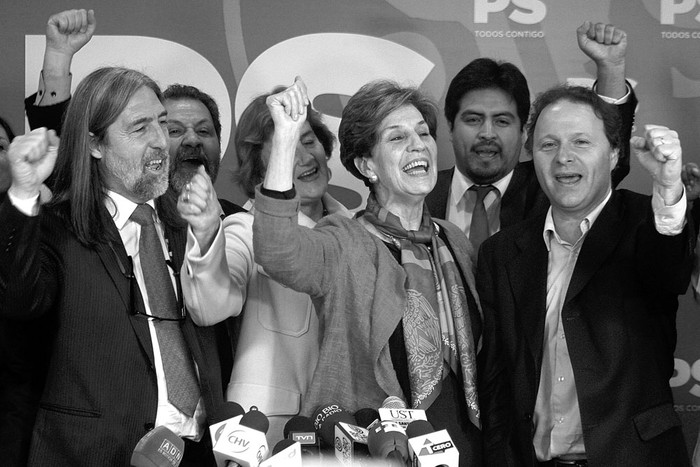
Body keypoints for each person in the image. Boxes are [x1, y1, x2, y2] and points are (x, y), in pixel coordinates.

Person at [250, 77, 484, 464]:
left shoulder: (454, 240)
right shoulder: (346, 240)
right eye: (397, 138)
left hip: (465, 448)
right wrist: (287, 137)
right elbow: (277, 251)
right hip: (377, 452)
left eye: (423, 133)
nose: (418, 145)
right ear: (366, 165)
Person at [0, 67, 226, 466]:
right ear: (95, 144)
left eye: (162, 124)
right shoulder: (58, 225)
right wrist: (23, 194)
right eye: (140, 129)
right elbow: (18, 300)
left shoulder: (191, 218)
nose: (160, 142)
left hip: (195, 452)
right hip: (97, 453)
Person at [477, 84, 693, 466]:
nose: (563, 158)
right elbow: (496, 382)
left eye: (580, 142)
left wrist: (668, 185)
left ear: (613, 154)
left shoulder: (647, 224)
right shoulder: (501, 253)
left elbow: (669, 269)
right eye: (548, 145)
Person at [177, 88, 349, 444]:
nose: (304, 157)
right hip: (269, 433)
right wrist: (208, 233)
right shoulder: (244, 228)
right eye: (288, 147)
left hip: (347, 425)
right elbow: (210, 305)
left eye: (308, 140)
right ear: (261, 171)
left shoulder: (357, 230)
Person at [426, 22, 636, 257]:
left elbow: (605, 161)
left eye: (502, 121)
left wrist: (611, 68)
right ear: (451, 127)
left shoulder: (551, 185)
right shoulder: (420, 192)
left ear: (524, 132)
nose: (487, 133)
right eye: (473, 120)